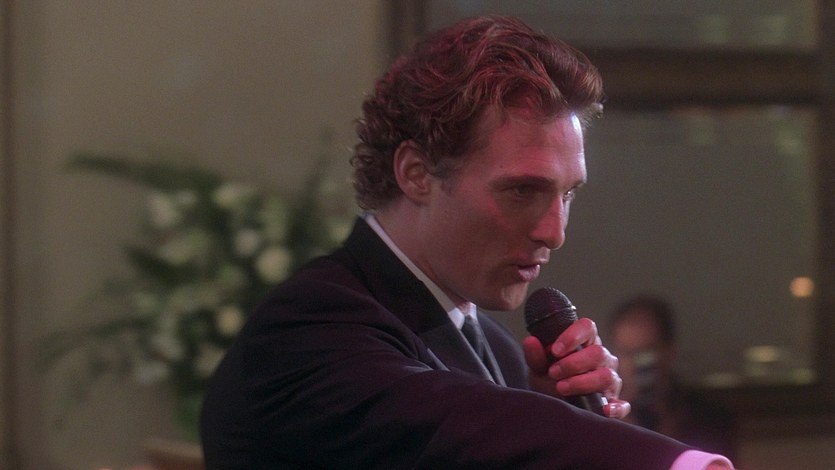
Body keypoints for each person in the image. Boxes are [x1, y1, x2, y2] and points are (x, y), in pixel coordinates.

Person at [201, 15, 734, 469]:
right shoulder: (308, 328)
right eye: (522, 190)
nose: (554, 232)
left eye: (567, 193)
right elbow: (453, 421)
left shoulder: (496, 349)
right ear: (416, 174)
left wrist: (565, 409)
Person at [610, 294, 738, 461]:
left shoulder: (709, 418)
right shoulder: (605, 418)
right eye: (627, 352)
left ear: (669, 350)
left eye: (646, 352)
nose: (637, 364)